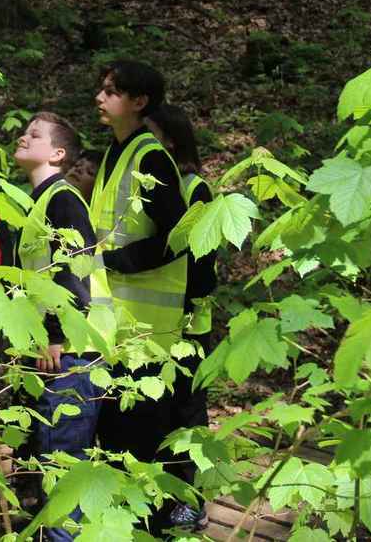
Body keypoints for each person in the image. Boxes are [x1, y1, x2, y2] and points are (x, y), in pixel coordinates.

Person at [88, 60, 204, 533]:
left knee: (141, 437)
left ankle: (153, 526)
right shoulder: (117, 151)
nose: (100, 97)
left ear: (140, 102)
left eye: (112, 91)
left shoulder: (150, 157)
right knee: (116, 435)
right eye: (102, 88)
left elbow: (180, 234)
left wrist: (116, 261)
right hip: (118, 325)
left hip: (149, 332)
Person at [11, 113, 107, 540]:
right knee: (48, 459)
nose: (23, 137)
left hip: (70, 353)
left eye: (35, 135)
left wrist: (55, 335)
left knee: (62, 463)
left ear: (57, 153)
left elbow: (73, 271)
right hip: (55, 351)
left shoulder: (62, 199)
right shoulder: (40, 201)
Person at [145, 103, 216, 532]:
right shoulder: (156, 185)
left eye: (149, 133)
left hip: (190, 324)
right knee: (161, 415)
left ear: (170, 140)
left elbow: (201, 262)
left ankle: (192, 502)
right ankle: (163, 501)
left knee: (188, 416)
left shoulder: (194, 189)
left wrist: (188, 308)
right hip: (157, 322)